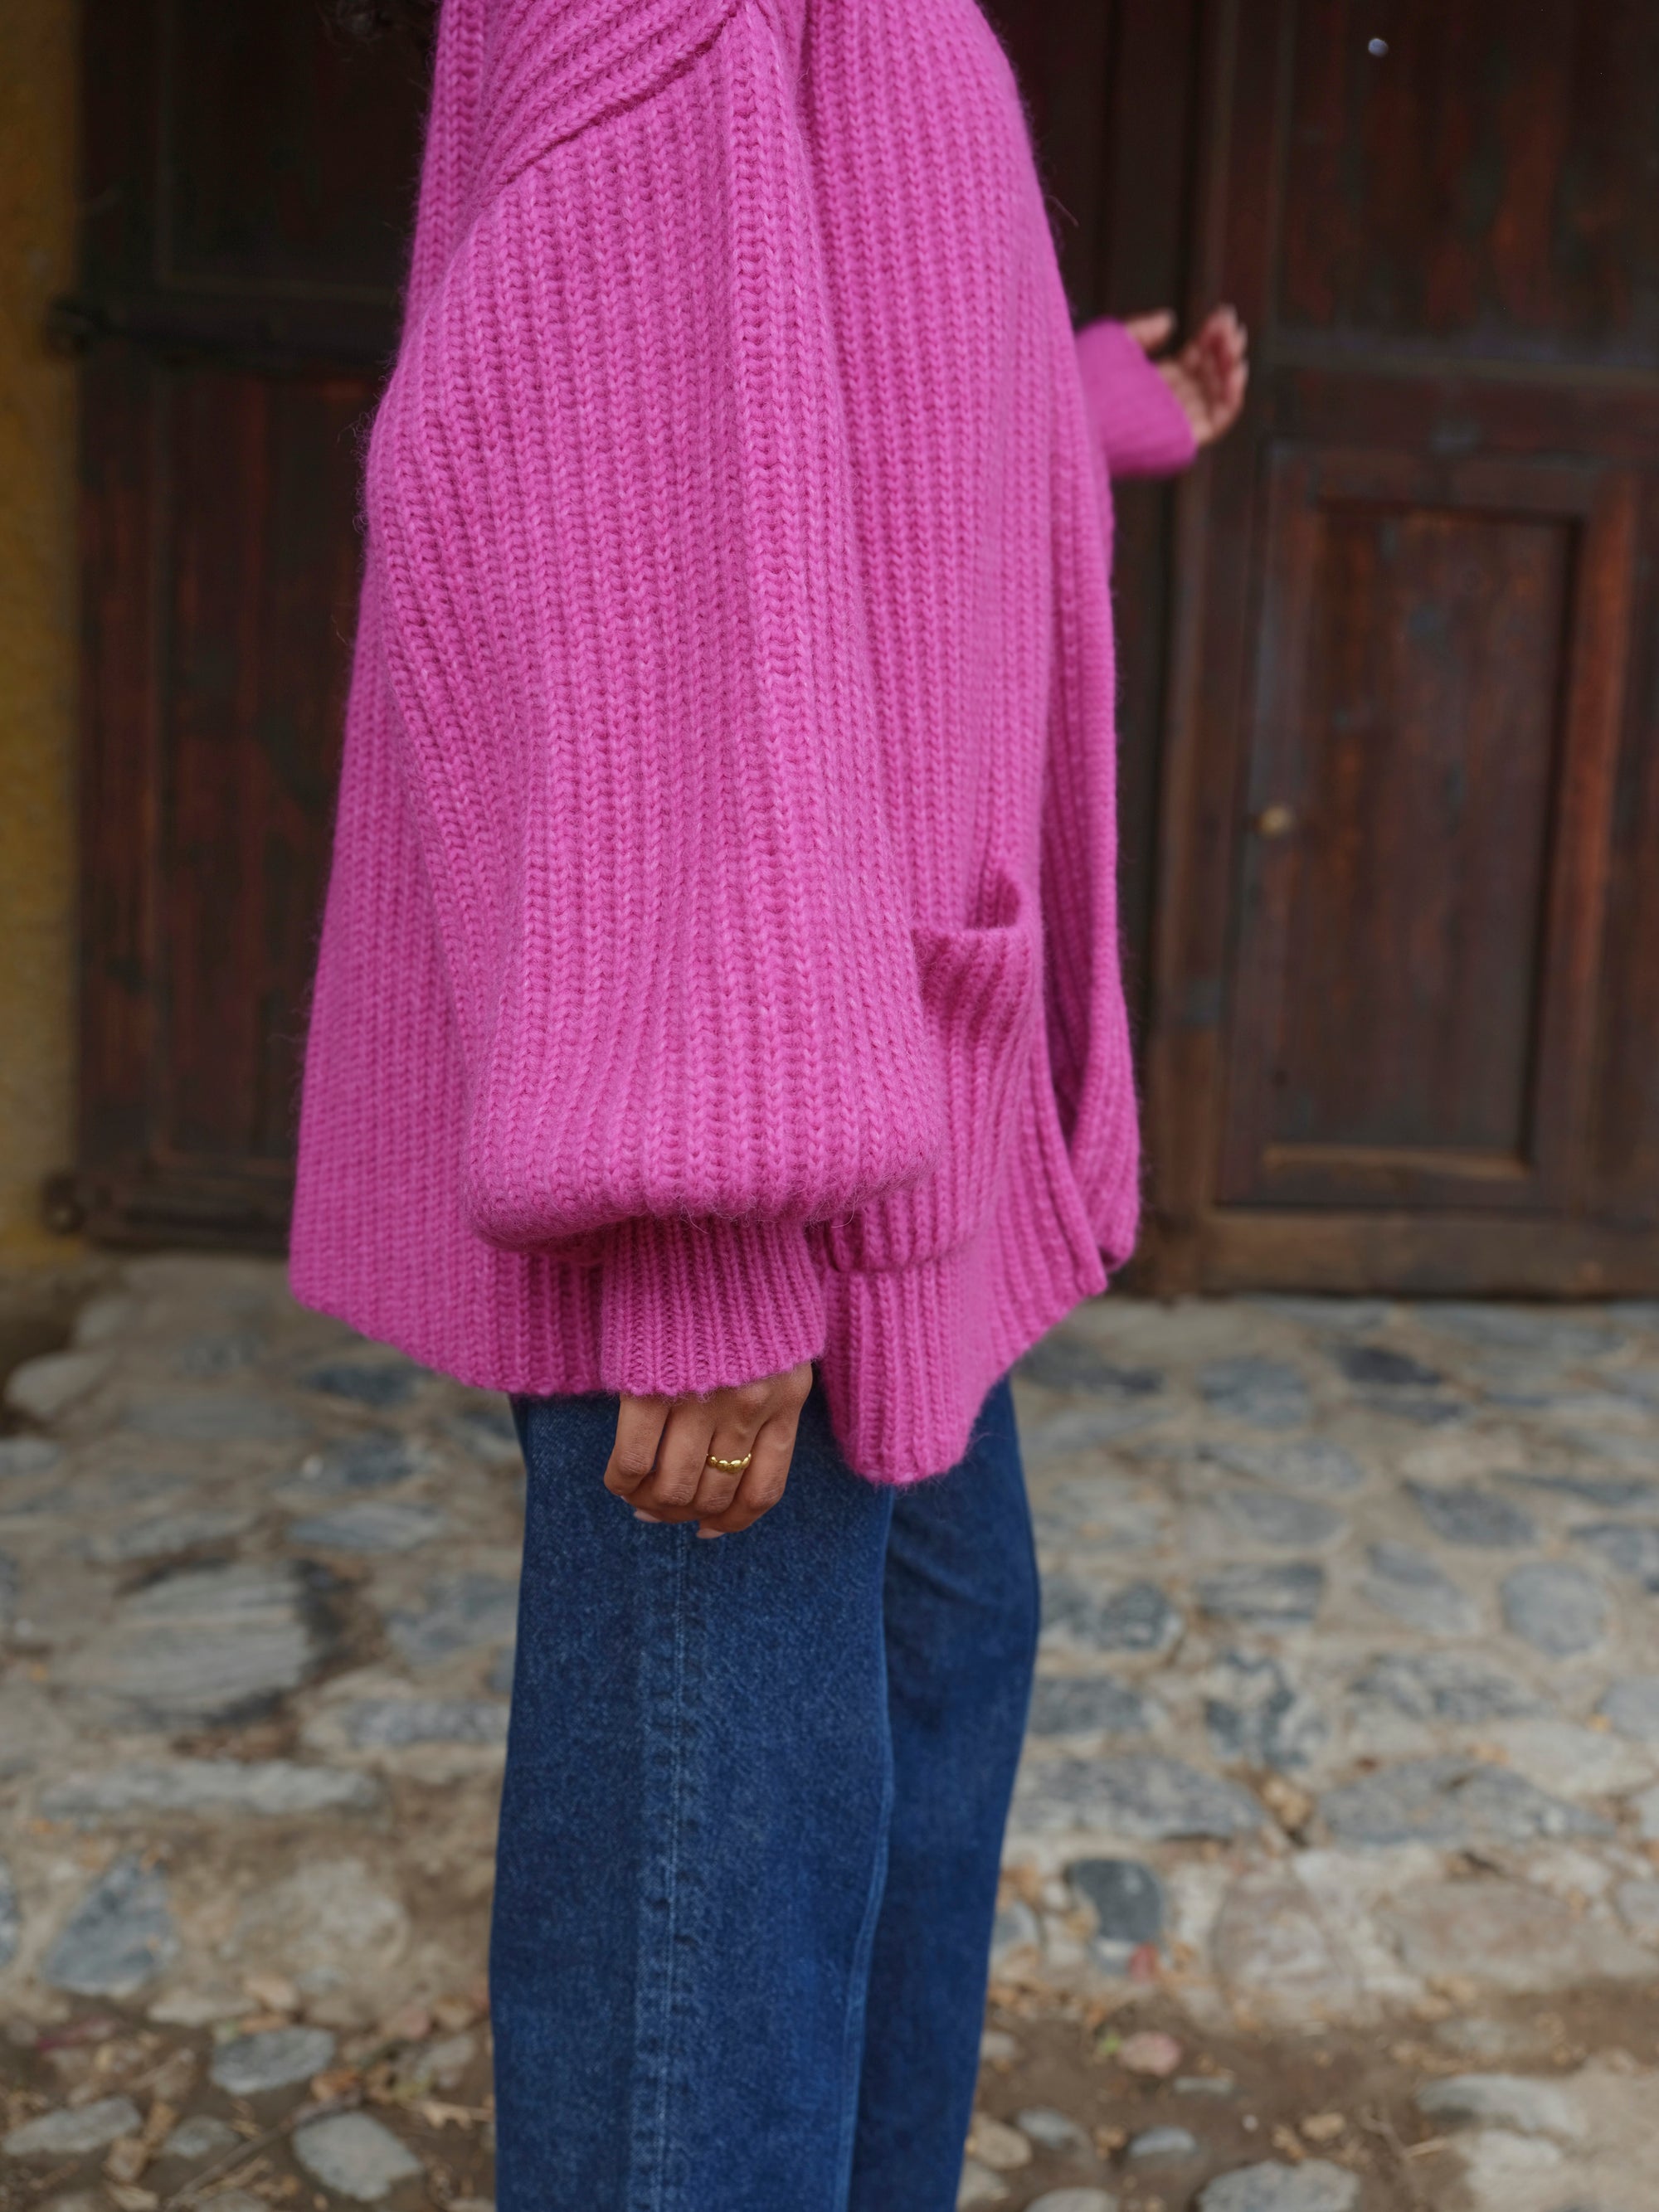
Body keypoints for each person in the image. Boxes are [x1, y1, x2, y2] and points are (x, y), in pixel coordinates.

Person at [291, 2, 1243, 2204]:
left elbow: (851, 360)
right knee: (707, 1985)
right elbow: (613, 470)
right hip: (776, 1143)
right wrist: (711, 1187)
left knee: (930, 1667)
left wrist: (1088, 399)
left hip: (891, 1127)